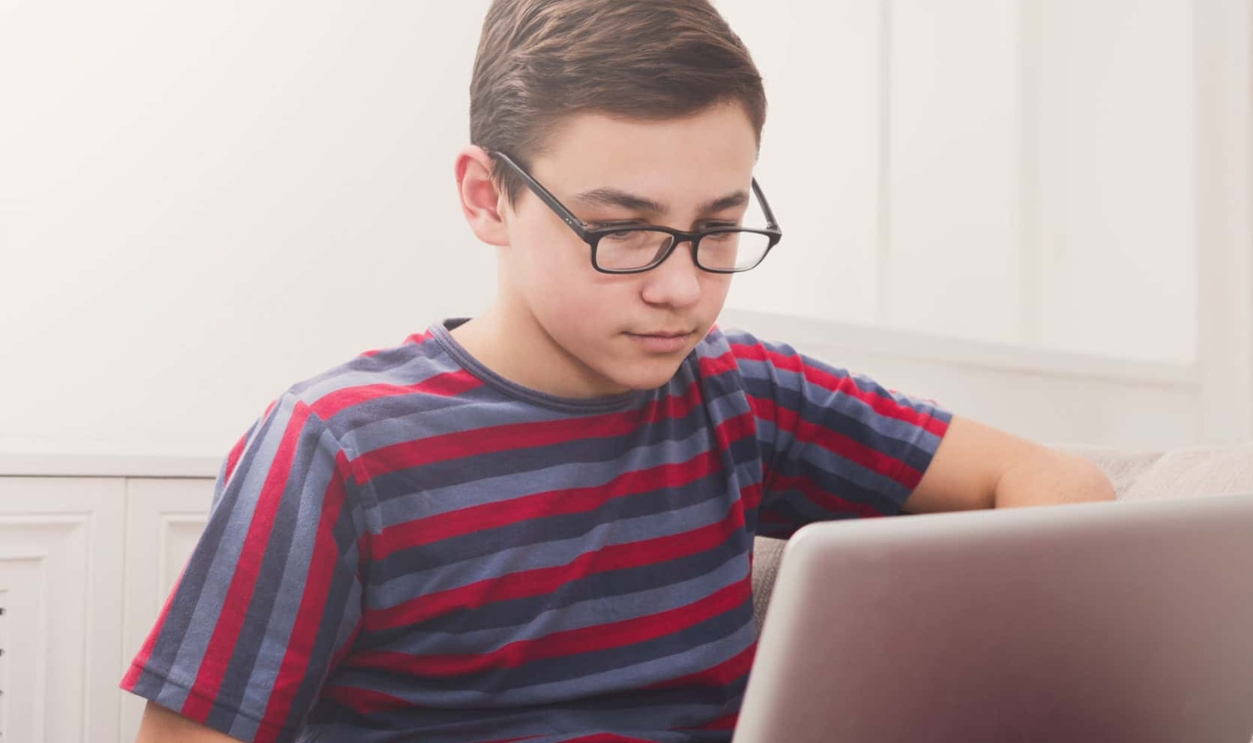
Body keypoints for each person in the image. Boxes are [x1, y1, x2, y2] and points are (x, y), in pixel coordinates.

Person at [123, 1, 1116, 741]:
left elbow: (1050, 483)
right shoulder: (335, 445)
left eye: (718, 228)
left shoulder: (743, 393)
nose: (683, 287)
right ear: (485, 197)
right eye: (625, 231)